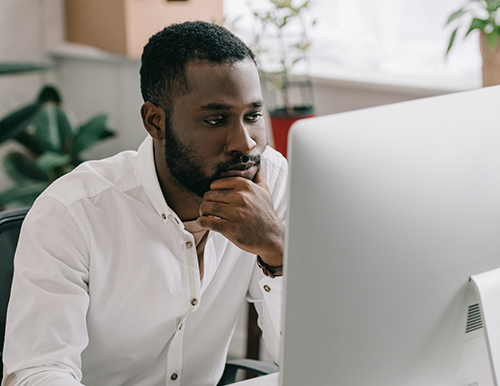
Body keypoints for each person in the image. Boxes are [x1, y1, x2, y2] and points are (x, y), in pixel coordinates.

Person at [2, 21, 288, 386]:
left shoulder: (270, 180)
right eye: (216, 120)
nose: (244, 143)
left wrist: (276, 249)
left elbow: (312, 355)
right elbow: (37, 372)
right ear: (156, 121)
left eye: (253, 116)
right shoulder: (72, 213)